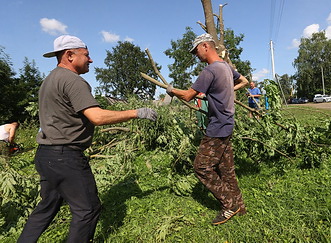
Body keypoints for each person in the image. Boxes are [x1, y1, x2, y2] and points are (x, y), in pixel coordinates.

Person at [18, 35, 157, 243]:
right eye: (86, 55)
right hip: (65, 157)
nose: (90, 60)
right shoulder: (73, 80)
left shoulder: (50, 79)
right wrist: (136, 112)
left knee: (46, 207)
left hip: (46, 155)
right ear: (69, 55)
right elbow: (97, 117)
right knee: (88, 210)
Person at [167, 33, 248, 225]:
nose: (196, 55)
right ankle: (240, 206)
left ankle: (229, 205)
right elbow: (243, 81)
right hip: (228, 124)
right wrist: (225, 91)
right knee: (226, 169)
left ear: (205, 46)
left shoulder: (210, 71)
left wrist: (171, 90)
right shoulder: (227, 68)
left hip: (217, 126)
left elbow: (187, 96)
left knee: (201, 167)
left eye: (196, 50)